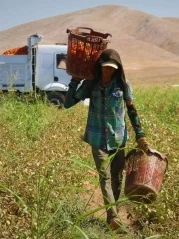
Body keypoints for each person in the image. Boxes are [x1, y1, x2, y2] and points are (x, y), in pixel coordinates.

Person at [64, 49, 151, 230]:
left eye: (112, 69)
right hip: (97, 139)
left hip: (118, 139)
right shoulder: (91, 84)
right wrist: (74, 81)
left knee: (117, 177)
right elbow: (68, 103)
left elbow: (132, 110)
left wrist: (140, 134)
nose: (108, 72)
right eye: (105, 68)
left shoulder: (123, 85)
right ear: (100, 67)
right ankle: (113, 216)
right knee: (105, 177)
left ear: (117, 69)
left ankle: (113, 215)